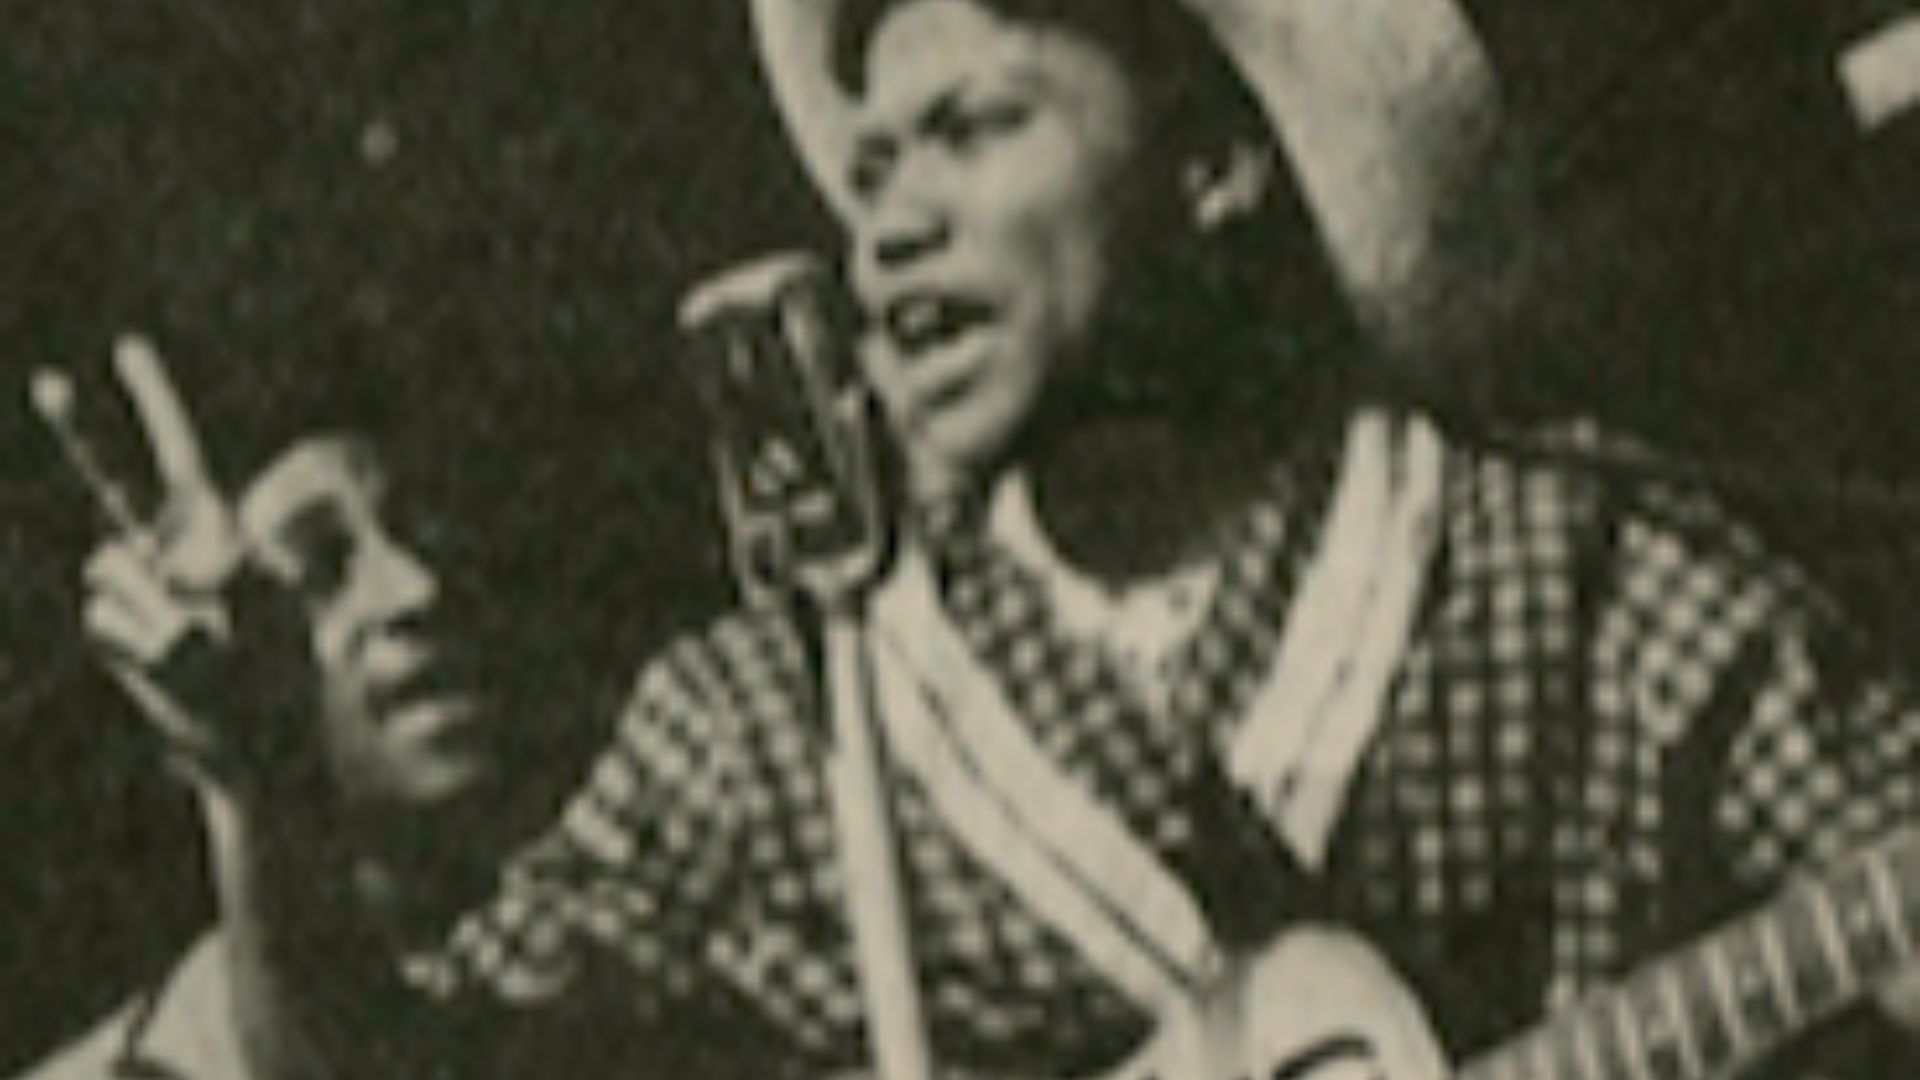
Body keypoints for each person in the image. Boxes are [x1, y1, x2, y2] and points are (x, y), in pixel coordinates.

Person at [68, 0, 1920, 1077]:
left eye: (972, 130)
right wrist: (257, 791)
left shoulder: (1563, 575)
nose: (891, 226)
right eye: (869, 171)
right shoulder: (787, 711)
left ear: (1216, 167)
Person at [24, 337, 616, 1080]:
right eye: (318, 567)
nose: (417, 586)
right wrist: (245, 768)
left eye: (421, 530)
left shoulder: (621, 954)